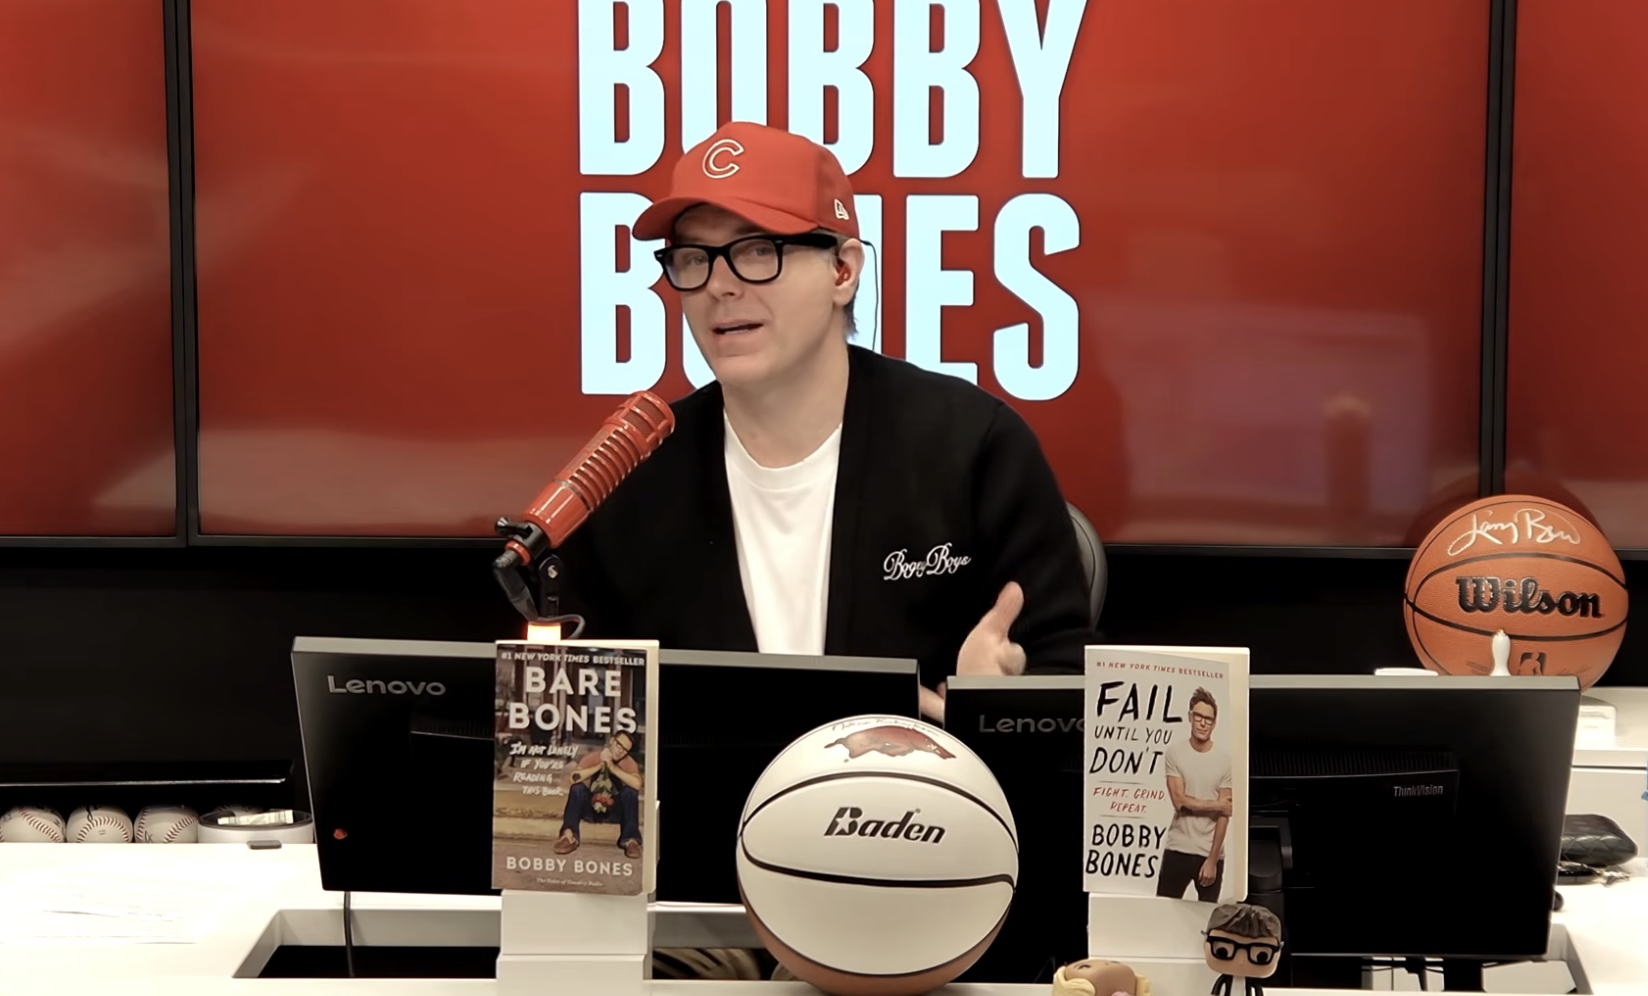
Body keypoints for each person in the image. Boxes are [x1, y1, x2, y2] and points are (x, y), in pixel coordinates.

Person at [556, 120, 1093, 725]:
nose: (719, 286)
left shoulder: (974, 447)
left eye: (757, 251)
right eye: (693, 258)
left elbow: (1070, 693)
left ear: (843, 271)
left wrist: (991, 715)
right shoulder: (634, 474)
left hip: (921, 785)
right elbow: (575, 731)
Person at [1156, 687, 1233, 901]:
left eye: (1208, 719)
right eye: (1198, 716)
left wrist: (1212, 859)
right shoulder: (1175, 753)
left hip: (1209, 853)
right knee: (1162, 911)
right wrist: (1217, 805)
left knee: (1208, 917)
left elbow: (1225, 815)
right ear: (1190, 717)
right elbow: (1179, 801)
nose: (1202, 723)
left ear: (1214, 723)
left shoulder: (1225, 761)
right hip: (1178, 848)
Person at [554, 731, 643, 861]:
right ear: (612, 741)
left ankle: (631, 841)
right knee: (577, 789)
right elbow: (574, 778)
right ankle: (568, 836)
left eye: (625, 750)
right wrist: (600, 765)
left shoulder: (628, 762)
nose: (621, 751)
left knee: (630, 792)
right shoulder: (594, 757)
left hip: (613, 810)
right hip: (592, 808)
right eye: (619, 745)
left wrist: (612, 768)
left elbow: (637, 784)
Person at [1203, 902, 1282, 996]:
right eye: (1222, 951)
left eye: (1261, 956)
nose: (1241, 961)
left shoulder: (1253, 984)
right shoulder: (1223, 980)